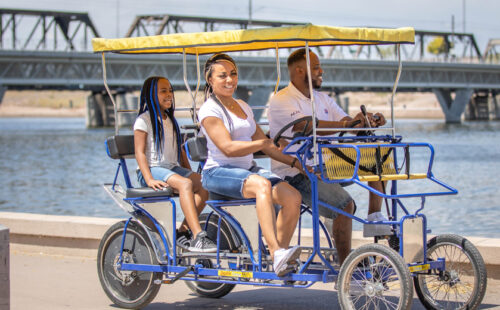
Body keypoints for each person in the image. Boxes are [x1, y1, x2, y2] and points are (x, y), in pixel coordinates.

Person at [268, 48, 389, 266]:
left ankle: (374, 216)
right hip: (297, 172)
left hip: (328, 164)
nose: (321, 71)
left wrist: (365, 121)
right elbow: (305, 126)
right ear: (299, 71)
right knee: (344, 205)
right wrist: (346, 124)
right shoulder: (282, 100)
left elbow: (348, 123)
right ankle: (346, 269)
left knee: (376, 160)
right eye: (315, 68)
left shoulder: (323, 98)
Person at [198, 53, 303, 276]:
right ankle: (276, 253)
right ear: (210, 80)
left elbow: (266, 146)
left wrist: (295, 162)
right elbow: (227, 147)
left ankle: (277, 257)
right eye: (222, 75)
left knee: (292, 196)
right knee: (262, 185)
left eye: (233, 74)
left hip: (246, 169)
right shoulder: (209, 110)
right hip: (218, 171)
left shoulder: (243, 106)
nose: (230, 80)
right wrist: (262, 141)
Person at [134, 76, 216, 253]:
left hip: (170, 168)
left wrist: (188, 171)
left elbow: (179, 151)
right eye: (163, 91)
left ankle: (183, 230)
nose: (169, 94)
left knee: (206, 184)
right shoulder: (144, 120)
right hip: (152, 170)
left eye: (170, 90)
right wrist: (148, 178)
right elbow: (139, 153)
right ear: (151, 95)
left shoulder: (170, 120)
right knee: (185, 184)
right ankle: (198, 235)